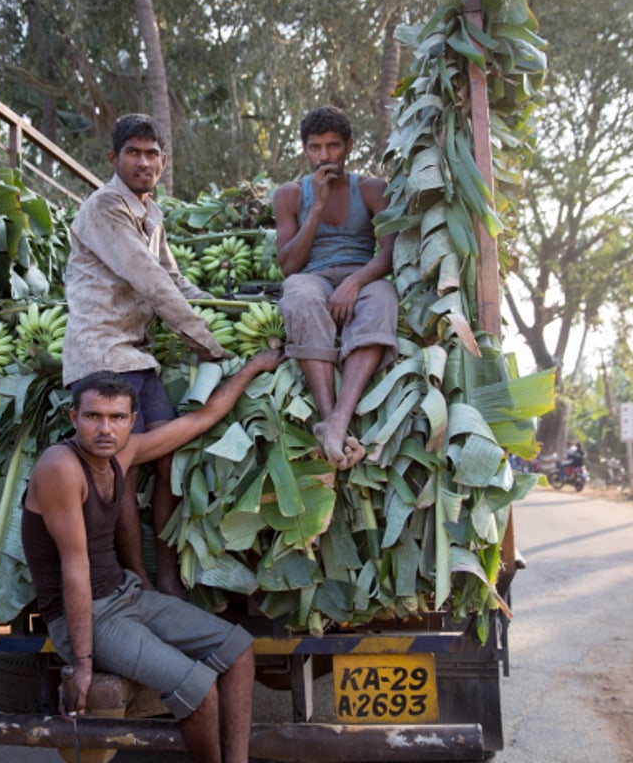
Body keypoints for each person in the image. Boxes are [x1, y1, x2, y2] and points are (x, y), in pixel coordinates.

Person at [22, 350, 282, 763]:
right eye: (93, 417)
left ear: (132, 420)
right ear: (74, 419)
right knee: (198, 690)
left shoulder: (122, 453)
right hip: (87, 616)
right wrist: (83, 663)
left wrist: (252, 369)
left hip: (127, 596)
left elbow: (200, 419)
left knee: (239, 648)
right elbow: (75, 567)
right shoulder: (61, 467)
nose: (105, 428)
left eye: (117, 418)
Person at [63, 113, 232, 597]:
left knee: (168, 459)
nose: (143, 162)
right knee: (124, 468)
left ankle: (169, 573)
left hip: (137, 357)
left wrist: (223, 310)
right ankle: (137, 576)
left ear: (163, 161)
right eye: (133, 153)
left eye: (152, 154)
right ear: (114, 159)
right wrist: (203, 337)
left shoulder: (150, 212)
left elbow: (173, 277)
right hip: (101, 355)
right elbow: (148, 278)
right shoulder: (104, 209)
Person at [274, 105, 398, 470]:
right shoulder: (290, 194)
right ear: (305, 149)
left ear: (349, 146)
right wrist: (316, 209)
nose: (324, 156)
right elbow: (289, 265)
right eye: (315, 148)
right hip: (313, 275)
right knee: (299, 295)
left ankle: (339, 418)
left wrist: (354, 282)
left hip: (362, 275)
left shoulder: (373, 189)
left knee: (383, 299)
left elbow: (389, 253)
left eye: (333, 146)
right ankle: (331, 419)